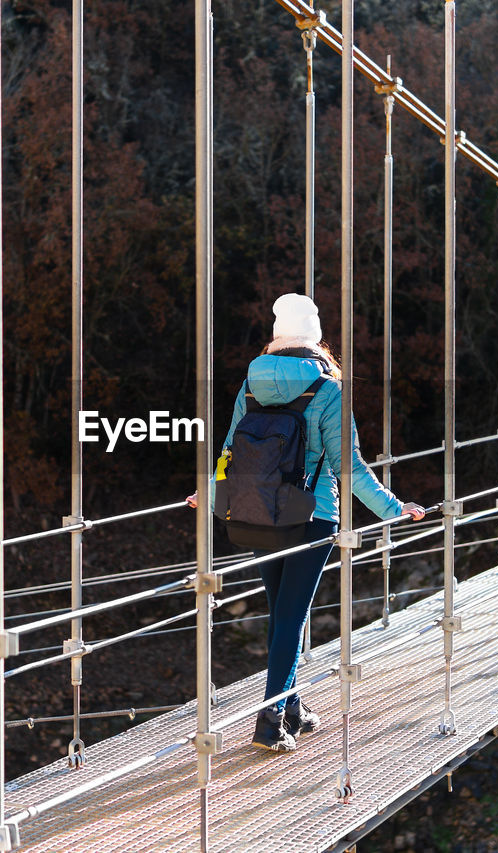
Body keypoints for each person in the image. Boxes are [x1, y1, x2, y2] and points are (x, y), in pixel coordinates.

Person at [187, 292, 425, 752]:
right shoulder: (328, 390)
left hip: (256, 514)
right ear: (316, 340)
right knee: (293, 616)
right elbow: (348, 467)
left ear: (276, 339)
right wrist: (395, 509)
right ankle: (270, 719)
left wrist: (211, 493)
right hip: (311, 517)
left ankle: (291, 705)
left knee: (283, 614)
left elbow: (229, 455)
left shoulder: (250, 386)